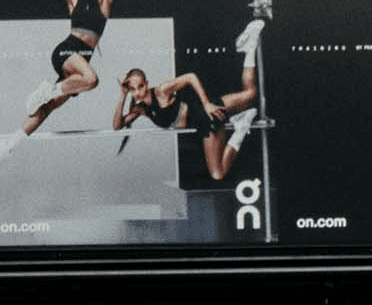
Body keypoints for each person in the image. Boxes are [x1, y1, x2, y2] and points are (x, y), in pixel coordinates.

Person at [0, 0, 124, 173]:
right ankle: (48, 91)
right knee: (92, 80)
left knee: (47, 109)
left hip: (80, 63)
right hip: (66, 52)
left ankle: (6, 145)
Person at [110, 17, 266, 182]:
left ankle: (241, 128)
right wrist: (122, 95)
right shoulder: (141, 109)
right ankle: (249, 49)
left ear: (146, 83)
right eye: (133, 89)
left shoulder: (161, 91)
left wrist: (206, 104)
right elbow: (117, 126)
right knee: (250, 94)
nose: (138, 92)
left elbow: (191, 77)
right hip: (202, 116)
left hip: (206, 119)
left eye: (140, 86)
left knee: (217, 173)